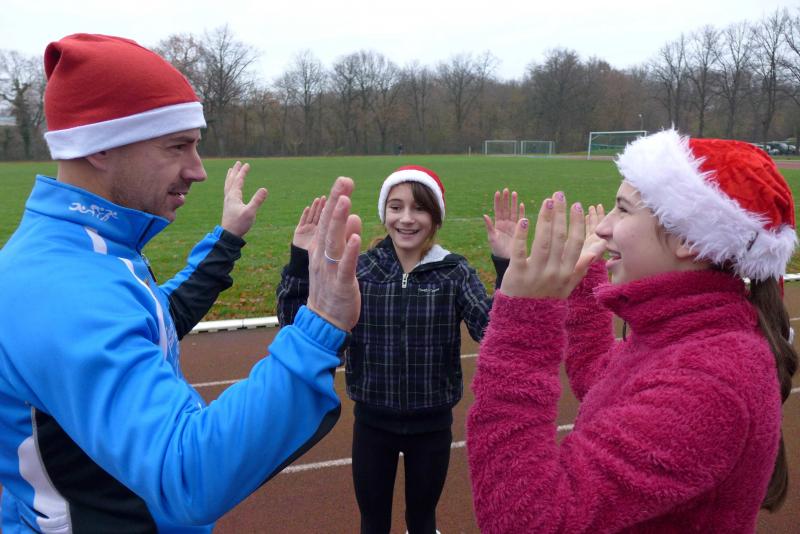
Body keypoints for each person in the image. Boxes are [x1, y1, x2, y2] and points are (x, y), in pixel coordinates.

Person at [0, 33, 363, 533]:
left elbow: (151, 320)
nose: (198, 170)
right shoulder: (62, 289)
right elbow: (188, 473)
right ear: (99, 146)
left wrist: (227, 239)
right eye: (177, 146)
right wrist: (320, 327)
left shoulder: (87, 250)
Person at [466, 129, 798, 533]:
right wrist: (584, 279)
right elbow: (600, 378)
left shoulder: (712, 379)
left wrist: (524, 323)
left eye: (623, 210)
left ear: (688, 239)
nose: (603, 228)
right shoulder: (687, 333)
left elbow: (527, 520)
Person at [277, 165, 519, 533]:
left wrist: (506, 267)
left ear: (435, 217)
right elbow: (296, 327)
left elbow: (493, 334)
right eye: (396, 207)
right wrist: (299, 262)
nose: (406, 218)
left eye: (419, 208)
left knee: (421, 521)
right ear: (384, 213)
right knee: (373, 523)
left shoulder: (454, 272)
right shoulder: (360, 270)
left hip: (432, 427)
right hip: (372, 425)